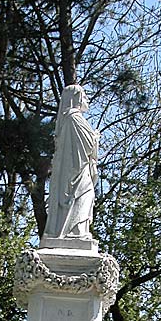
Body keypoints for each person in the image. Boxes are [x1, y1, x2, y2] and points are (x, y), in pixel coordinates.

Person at [42, 84, 99, 240]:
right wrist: (95, 138)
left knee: (84, 196)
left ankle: (76, 231)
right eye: (84, 96)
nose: (87, 99)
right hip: (78, 171)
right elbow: (87, 145)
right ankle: (75, 232)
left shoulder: (69, 119)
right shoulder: (74, 118)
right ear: (76, 98)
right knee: (83, 195)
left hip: (75, 170)